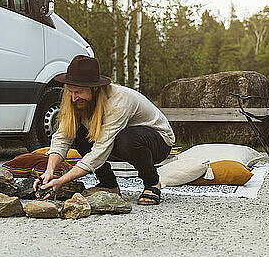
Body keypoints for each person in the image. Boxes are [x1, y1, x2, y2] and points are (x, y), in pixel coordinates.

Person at [36, 55, 175, 205]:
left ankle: (152, 183)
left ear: (95, 88)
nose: (74, 97)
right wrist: (49, 172)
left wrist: (62, 181)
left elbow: (101, 149)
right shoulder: (74, 100)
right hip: (116, 140)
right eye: (71, 91)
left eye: (79, 92)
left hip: (158, 142)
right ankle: (109, 185)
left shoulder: (119, 101)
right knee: (78, 134)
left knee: (126, 138)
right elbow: (63, 137)